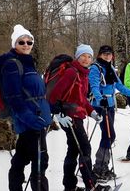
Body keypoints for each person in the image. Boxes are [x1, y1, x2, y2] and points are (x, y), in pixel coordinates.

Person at [47, 44, 109, 191]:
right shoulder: (71, 72)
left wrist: (92, 112)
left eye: (89, 56)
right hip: (70, 117)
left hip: (76, 116)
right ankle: (91, 185)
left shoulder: (83, 74)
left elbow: (82, 100)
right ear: (77, 56)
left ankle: (69, 186)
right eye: (83, 56)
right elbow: (55, 95)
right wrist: (58, 114)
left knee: (74, 151)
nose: (86, 59)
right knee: (84, 149)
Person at [0, 24, 52, 191]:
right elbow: (13, 97)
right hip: (30, 121)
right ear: (15, 44)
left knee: (21, 158)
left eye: (29, 42)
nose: (26, 45)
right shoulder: (12, 65)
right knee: (40, 160)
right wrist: (31, 119)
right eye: (22, 42)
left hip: (37, 119)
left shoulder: (27, 63)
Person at [89, 45, 130, 181]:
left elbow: (120, 86)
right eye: (104, 54)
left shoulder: (110, 68)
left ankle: (102, 166)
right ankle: (99, 167)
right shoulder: (95, 68)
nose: (107, 56)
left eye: (109, 54)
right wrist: (101, 100)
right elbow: (94, 87)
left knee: (109, 136)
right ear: (99, 55)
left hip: (110, 106)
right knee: (109, 135)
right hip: (101, 106)